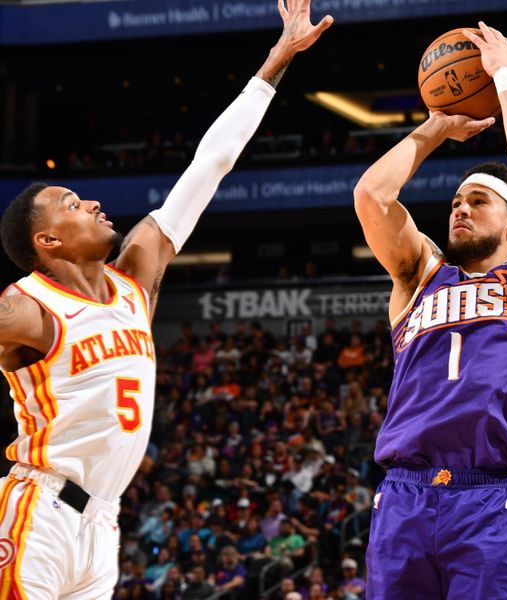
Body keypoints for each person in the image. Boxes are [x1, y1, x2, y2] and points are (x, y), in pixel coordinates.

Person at [0, 1, 333, 596]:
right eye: (73, 205)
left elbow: (211, 165)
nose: (94, 204)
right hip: (40, 510)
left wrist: (277, 60)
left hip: (103, 524)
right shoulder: (26, 305)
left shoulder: (135, 279)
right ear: (46, 240)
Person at [355, 22, 507, 600]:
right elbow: (371, 197)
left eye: (478, 202)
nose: (461, 210)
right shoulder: (420, 273)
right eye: (456, 202)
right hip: (403, 492)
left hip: (484, 497)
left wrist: (504, 77)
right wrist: (433, 128)